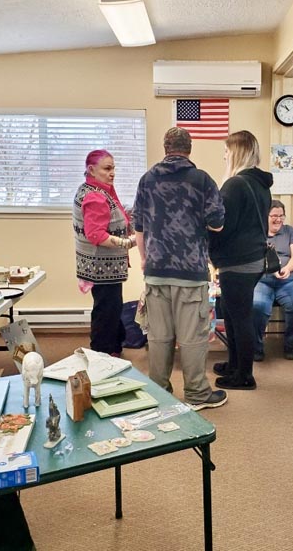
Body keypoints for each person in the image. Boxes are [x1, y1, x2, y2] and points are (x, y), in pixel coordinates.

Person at [133, 127, 228, 411]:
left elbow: (138, 226)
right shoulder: (201, 180)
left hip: (156, 270)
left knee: (159, 336)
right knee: (192, 337)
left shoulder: (147, 180)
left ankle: (159, 393)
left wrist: (144, 259)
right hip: (190, 272)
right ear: (189, 149)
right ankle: (197, 394)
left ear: (165, 147)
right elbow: (217, 223)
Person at [209, 130, 273, 390]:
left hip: (238, 262)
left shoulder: (235, 184)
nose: (224, 155)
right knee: (235, 317)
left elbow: (223, 226)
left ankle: (244, 375)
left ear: (237, 152)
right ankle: (235, 364)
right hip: (252, 260)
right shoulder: (260, 184)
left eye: (227, 151)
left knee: (240, 319)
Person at [73, 149, 135, 357]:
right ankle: (101, 354)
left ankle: (114, 347)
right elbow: (96, 235)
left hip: (99, 266)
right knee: (106, 311)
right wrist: (127, 242)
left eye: (113, 168)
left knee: (111, 308)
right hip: (102, 268)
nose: (112, 173)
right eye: (107, 168)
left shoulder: (96, 190)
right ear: (91, 170)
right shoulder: (95, 197)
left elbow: (117, 214)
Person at [251, 200, 293, 362]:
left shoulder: (290, 232)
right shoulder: (256, 232)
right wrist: (269, 268)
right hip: (262, 281)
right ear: (265, 216)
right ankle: (256, 348)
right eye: (274, 216)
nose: (278, 219)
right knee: (257, 306)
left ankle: (291, 346)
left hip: (288, 280)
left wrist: (288, 269)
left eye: (281, 216)